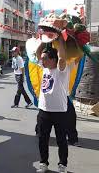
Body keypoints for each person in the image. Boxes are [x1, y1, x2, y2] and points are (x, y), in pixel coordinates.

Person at [35, 36, 70, 173]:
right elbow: (38, 53)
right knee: (42, 139)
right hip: (43, 110)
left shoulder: (62, 70)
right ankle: (43, 163)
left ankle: (62, 165)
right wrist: (45, 38)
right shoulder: (44, 68)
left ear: (53, 60)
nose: (42, 61)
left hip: (60, 111)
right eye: (42, 59)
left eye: (45, 59)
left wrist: (60, 38)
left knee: (61, 140)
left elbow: (61, 58)